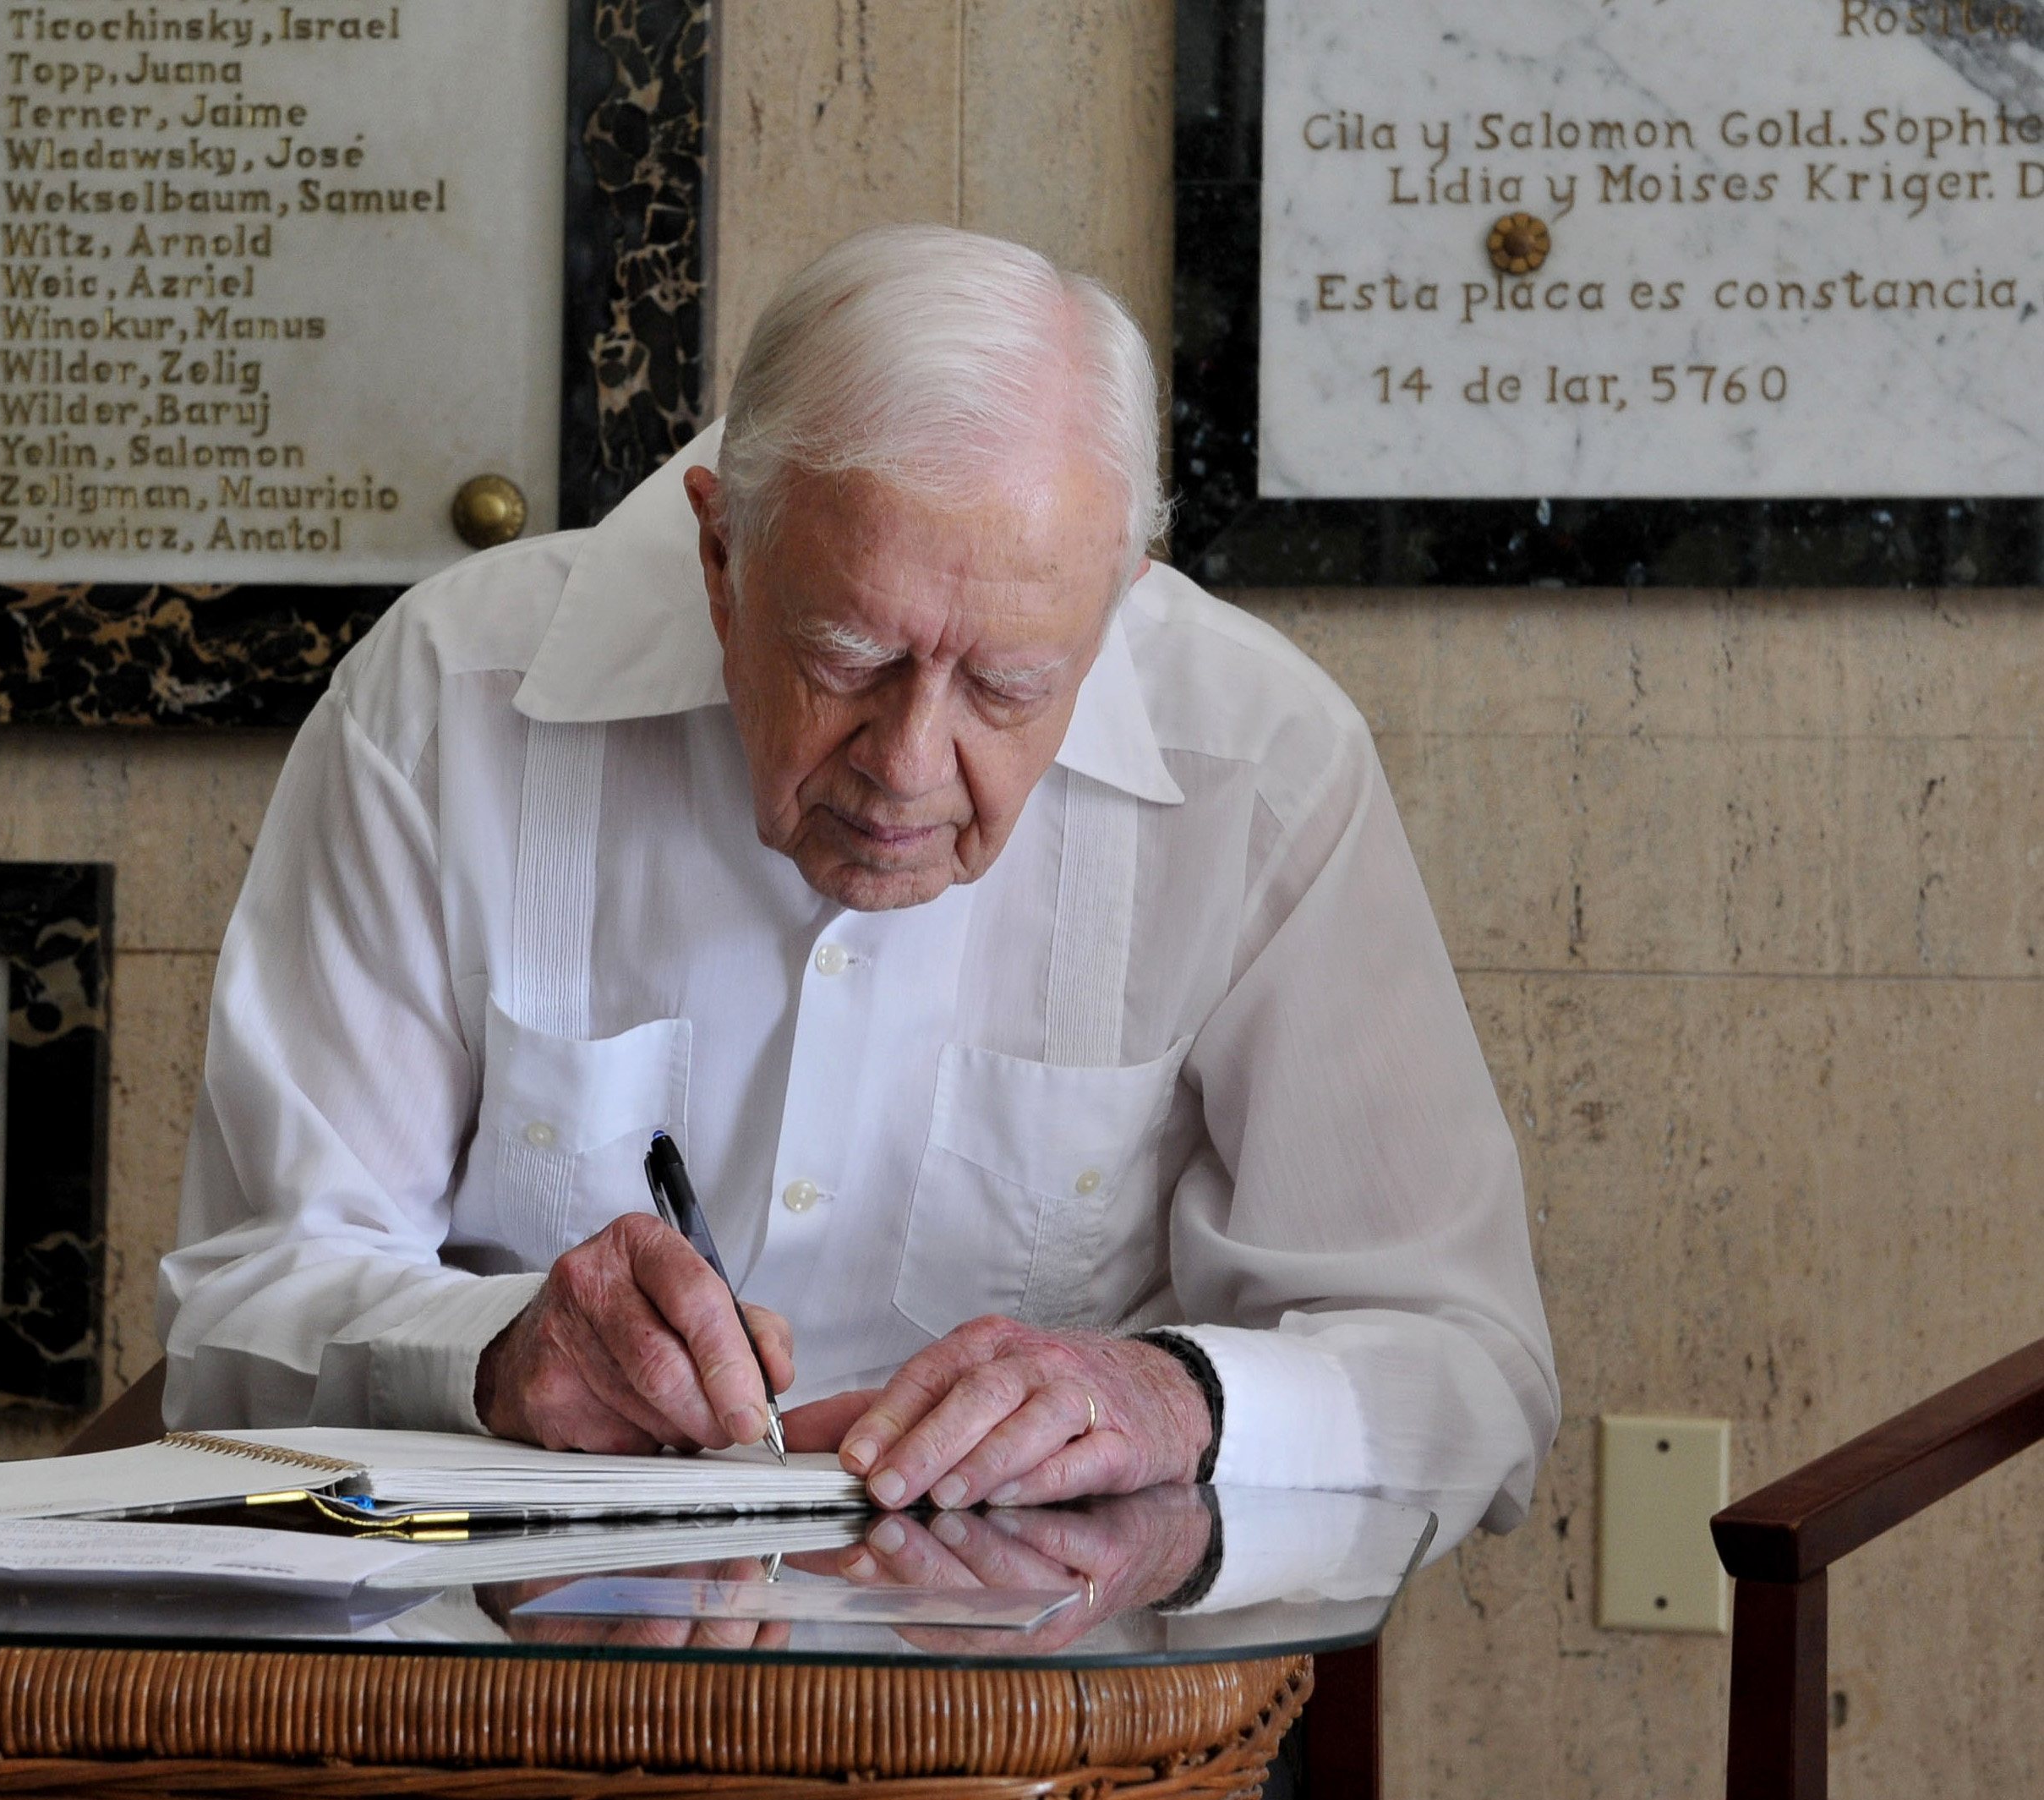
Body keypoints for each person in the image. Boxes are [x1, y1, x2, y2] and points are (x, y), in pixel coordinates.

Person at [156, 224, 1559, 1534]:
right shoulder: (451, 700)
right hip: (516, 1687)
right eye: (846, 658)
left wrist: (1181, 1397)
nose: (907, 764)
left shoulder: (1260, 762)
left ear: (1119, 601)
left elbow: (1469, 1373)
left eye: (1010, 685)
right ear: (720, 552)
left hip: (1054, 1739)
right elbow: (241, 1312)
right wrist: (492, 1356)